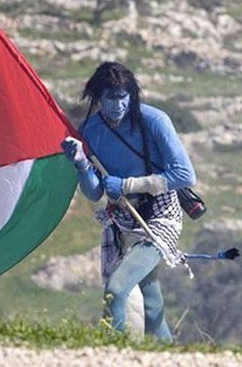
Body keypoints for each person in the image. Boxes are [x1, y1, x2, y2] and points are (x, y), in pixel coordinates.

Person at [61, 61, 196, 342]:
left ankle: (114, 354)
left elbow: (185, 175)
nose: (119, 105)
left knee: (116, 289)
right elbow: (95, 192)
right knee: (152, 305)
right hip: (123, 218)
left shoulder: (154, 121)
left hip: (161, 213)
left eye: (124, 97)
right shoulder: (90, 130)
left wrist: (127, 184)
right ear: (98, 98)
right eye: (111, 97)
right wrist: (81, 165)